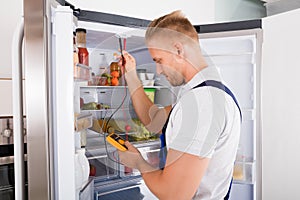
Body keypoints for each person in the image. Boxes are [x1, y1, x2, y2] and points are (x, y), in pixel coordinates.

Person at [117, 10, 241, 200]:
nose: (158, 70)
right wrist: (131, 75)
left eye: (159, 60)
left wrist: (138, 162)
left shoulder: (202, 103)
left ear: (178, 50)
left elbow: (174, 194)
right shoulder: (201, 93)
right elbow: (155, 121)